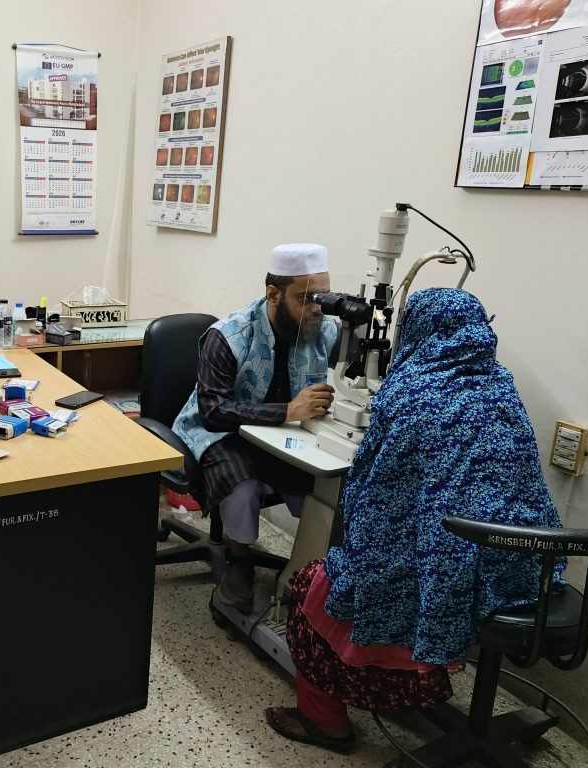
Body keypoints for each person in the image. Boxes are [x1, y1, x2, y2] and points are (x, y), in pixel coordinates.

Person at [266, 288, 564, 754]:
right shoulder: (502, 386)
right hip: (523, 568)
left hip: (442, 573)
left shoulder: (408, 392)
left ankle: (325, 721)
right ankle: (419, 676)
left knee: (314, 588)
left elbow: (372, 498)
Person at [172, 243, 339, 612]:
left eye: (323, 297)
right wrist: (287, 410)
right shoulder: (228, 335)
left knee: (326, 483)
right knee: (242, 484)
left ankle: (312, 573)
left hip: (286, 432)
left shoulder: (324, 330)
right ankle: (239, 562)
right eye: (306, 298)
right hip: (219, 432)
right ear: (273, 294)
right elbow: (214, 411)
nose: (317, 308)